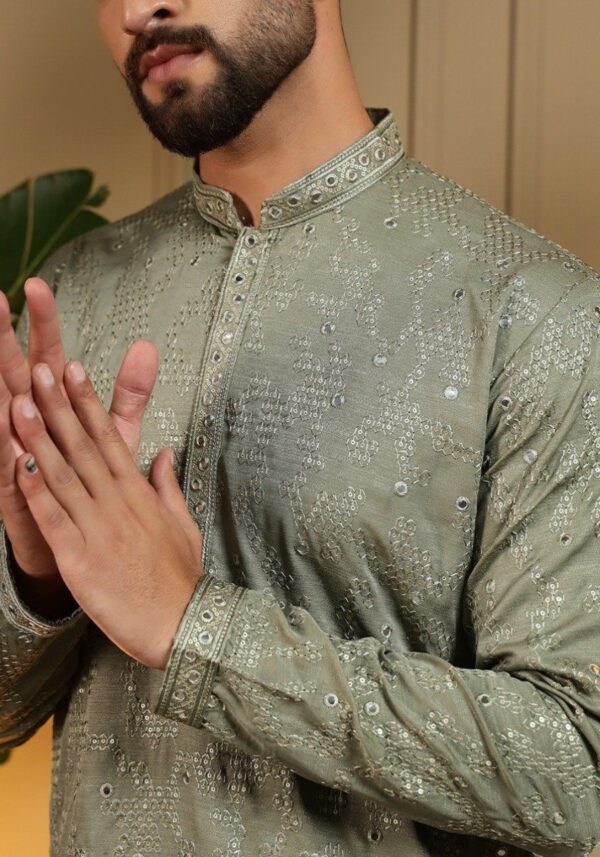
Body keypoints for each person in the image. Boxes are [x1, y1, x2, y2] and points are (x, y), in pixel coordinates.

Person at [1, 1, 599, 855]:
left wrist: (195, 628)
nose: (136, 11)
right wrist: (39, 581)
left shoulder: (532, 313)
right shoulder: (77, 292)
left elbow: (575, 769)